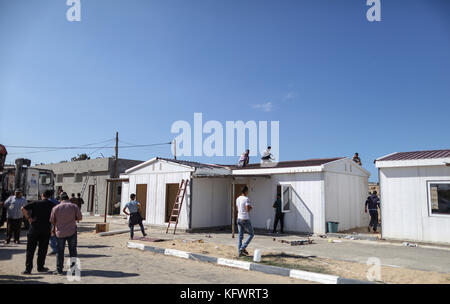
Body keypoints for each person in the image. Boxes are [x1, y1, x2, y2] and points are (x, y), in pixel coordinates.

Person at [21, 190, 55, 274]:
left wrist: (28, 218)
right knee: (42, 250)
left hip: (34, 230)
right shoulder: (52, 205)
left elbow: (23, 208)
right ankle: (40, 267)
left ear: (42, 195)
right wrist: (53, 229)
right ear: (50, 196)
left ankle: (28, 269)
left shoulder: (35, 203)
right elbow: (55, 218)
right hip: (46, 230)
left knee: (30, 250)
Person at [50, 192, 82, 275]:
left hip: (60, 233)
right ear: (68, 198)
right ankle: (74, 269)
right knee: (73, 251)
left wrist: (53, 230)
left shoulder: (56, 208)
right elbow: (80, 217)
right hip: (72, 232)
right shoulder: (74, 206)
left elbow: (52, 221)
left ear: (61, 199)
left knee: (60, 251)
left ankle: (59, 269)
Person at [236, 186, 254, 257]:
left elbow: (237, 209)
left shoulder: (237, 199)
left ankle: (240, 251)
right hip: (245, 219)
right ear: (246, 191)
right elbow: (247, 209)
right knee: (251, 234)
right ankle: (242, 248)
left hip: (239, 218)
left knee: (240, 236)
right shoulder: (246, 199)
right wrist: (251, 207)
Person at [48, 191, 60, 255]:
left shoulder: (46, 202)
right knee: (55, 234)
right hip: (56, 220)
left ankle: (54, 249)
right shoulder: (57, 202)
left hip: (48, 220)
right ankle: (56, 248)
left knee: (51, 235)